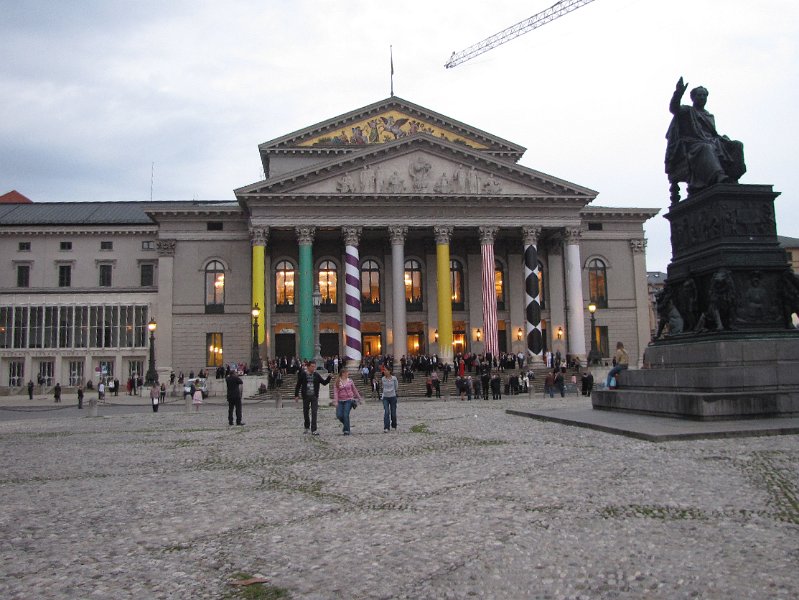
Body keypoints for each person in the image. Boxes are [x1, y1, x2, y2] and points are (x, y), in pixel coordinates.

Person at [665, 77, 746, 196]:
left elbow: (713, 133)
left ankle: (732, 177)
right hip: (693, 144)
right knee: (706, 147)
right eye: (699, 95)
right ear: (693, 98)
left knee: (736, 145)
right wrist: (678, 93)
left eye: (704, 95)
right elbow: (674, 108)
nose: (702, 97)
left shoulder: (709, 115)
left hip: (712, 141)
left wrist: (723, 139)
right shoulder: (687, 111)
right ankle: (719, 176)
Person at [294, 362, 331, 435]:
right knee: (306, 412)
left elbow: (324, 383)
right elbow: (298, 385)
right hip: (306, 396)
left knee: (314, 412)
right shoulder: (303, 374)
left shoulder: (316, 375)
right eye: (312, 366)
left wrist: (329, 378)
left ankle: (314, 429)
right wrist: (296, 395)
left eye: (314, 366)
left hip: (314, 396)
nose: (313, 368)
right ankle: (307, 427)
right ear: (308, 367)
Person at [333, 368, 361, 436]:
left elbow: (354, 389)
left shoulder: (350, 381)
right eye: (347, 372)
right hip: (340, 400)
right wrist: (336, 401)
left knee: (346, 414)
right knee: (339, 415)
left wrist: (359, 397)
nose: (348, 374)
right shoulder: (337, 381)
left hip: (349, 400)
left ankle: (346, 430)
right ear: (343, 373)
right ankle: (347, 425)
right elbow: (336, 392)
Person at [380, 367, 399, 432]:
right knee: (386, 412)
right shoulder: (383, 379)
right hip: (385, 397)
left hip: (393, 397)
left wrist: (392, 391)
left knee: (393, 413)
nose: (384, 372)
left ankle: (394, 425)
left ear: (389, 371)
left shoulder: (394, 378)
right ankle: (386, 427)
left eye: (385, 370)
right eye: (384, 371)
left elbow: (396, 387)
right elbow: (382, 387)